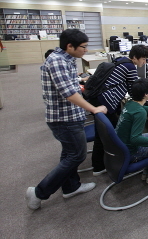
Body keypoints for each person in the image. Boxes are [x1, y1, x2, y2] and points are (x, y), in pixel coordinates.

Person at [26, 29, 108, 210]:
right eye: (83, 47)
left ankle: (71, 186)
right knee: (76, 155)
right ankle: (39, 192)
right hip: (64, 119)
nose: (86, 50)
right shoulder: (57, 61)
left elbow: (72, 87)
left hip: (71, 115)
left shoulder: (67, 59)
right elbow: (69, 94)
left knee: (69, 153)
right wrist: (94, 109)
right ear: (69, 46)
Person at [88, 44, 148, 176]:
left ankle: (98, 163)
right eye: (143, 59)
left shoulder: (122, 61)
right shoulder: (130, 67)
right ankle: (103, 165)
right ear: (134, 57)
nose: (144, 62)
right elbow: (135, 91)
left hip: (100, 99)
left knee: (103, 133)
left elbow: (129, 87)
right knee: (108, 135)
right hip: (107, 102)